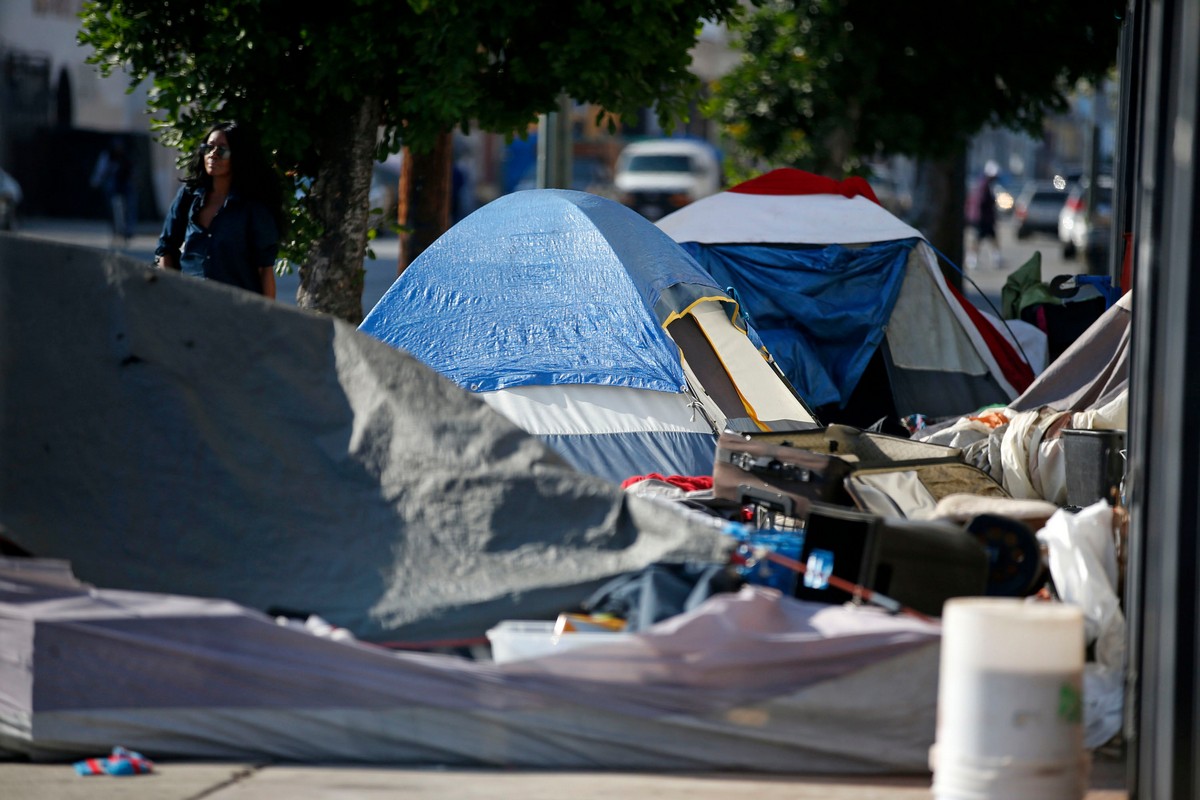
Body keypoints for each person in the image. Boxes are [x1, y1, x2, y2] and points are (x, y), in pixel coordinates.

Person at [154, 121, 282, 298]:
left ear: (238, 156)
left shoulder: (253, 207)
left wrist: (268, 320)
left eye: (222, 150)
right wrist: (172, 295)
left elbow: (265, 270)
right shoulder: (189, 195)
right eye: (209, 147)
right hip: (189, 304)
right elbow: (166, 248)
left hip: (235, 311)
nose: (213, 155)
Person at [90, 137, 137, 246]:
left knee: (130, 205)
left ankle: (128, 230)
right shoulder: (107, 156)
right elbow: (100, 170)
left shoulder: (126, 157)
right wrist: (95, 181)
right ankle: (115, 230)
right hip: (113, 184)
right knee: (112, 206)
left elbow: (132, 173)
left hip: (125, 184)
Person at [966, 162, 1002, 269]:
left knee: (988, 238)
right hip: (983, 219)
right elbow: (981, 202)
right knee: (978, 239)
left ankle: (995, 258)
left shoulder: (984, 184)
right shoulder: (984, 185)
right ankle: (972, 260)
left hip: (983, 218)